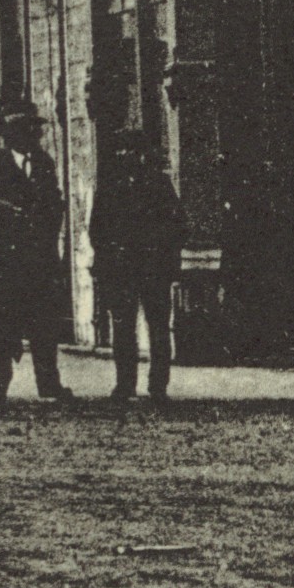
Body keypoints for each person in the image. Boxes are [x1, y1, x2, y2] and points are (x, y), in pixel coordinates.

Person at [0, 101, 77, 405]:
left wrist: (45, 225)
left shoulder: (44, 163)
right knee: (1, 327)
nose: (33, 137)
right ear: (9, 135)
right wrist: (4, 213)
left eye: (35, 131)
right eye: (24, 131)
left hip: (37, 260)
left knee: (44, 327)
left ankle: (49, 384)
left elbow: (55, 204)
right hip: (2, 260)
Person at [90, 127, 185, 407]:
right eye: (122, 150)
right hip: (121, 271)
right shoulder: (109, 188)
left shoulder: (159, 185)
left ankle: (158, 387)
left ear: (142, 154)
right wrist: (109, 255)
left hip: (153, 269)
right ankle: (124, 384)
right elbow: (97, 229)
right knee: (123, 329)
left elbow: (179, 224)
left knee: (158, 329)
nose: (127, 155)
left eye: (133, 150)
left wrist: (162, 252)